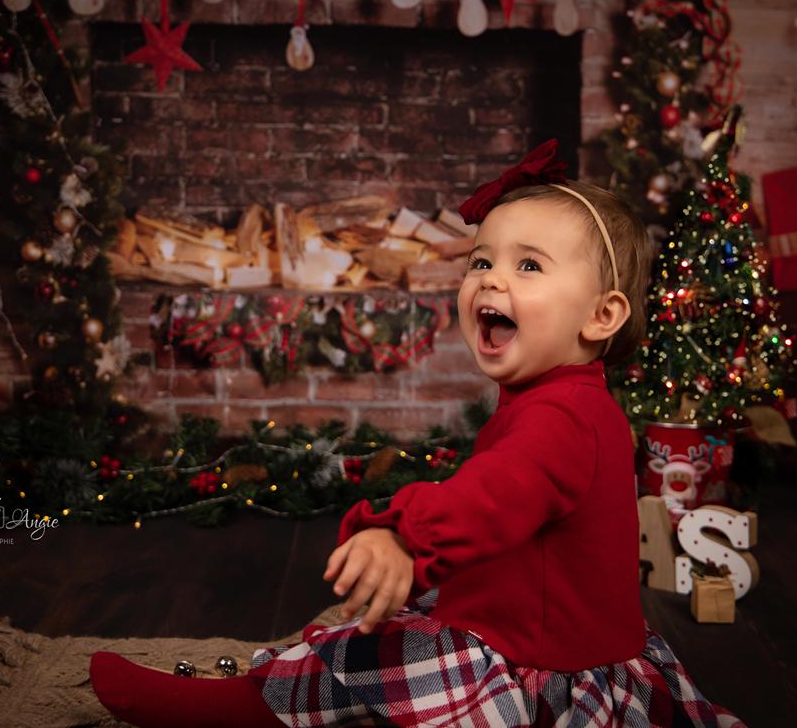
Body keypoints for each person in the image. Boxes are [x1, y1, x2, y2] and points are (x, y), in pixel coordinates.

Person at [90, 140, 744, 727]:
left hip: (542, 668)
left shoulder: (564, 418)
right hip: (538, 627)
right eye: (481, 260)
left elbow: (496, 491)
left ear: (601, 316)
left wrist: (406, 534)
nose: (490, 278)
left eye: (529, 267)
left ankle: (233, 711)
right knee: (386, 628)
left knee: (364, 662)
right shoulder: (563, 397)